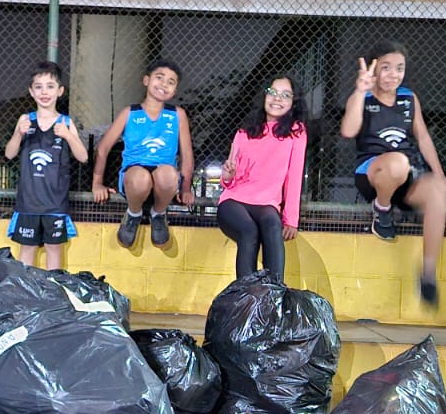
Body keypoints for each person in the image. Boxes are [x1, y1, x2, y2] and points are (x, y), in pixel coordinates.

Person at [339, 43, 446, 306]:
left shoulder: (408, 98)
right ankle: (382, 209)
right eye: (386, 68)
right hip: (373, 173)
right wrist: (360, 90)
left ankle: (428, 273)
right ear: (374, 69)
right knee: (397, 163)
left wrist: (439, 174)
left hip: (407, 174)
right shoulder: (362, 97)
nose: (393, 74)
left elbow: (423, 137)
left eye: (399, 68)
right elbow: (348, 131)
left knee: (437, 190)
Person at [89, 60, 195, 248]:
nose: (164, 84)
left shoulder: (177, 114)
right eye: (159, 78)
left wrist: (185, 188)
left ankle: (159, 214)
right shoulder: (129, 113)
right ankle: (133, 213)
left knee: (169, 174)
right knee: (141, 177)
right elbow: (103, 148)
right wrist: (97, 183)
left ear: (175, 90)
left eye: (171, 82)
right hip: (134, 178)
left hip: (164, 181)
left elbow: (187, 154)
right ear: (146, 80)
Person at [216, 77, 307, 282]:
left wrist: (291, 219)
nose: (277, 99)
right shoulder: (244, 132)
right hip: (234, 201)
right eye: (272, 92)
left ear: (294, 102)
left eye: (285, 95)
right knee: (249, 231)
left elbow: (294, 177)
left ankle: (275, 293)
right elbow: (228, 180)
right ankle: (245, 296)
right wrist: (227, 176)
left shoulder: (296, 132)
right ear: (264, 95)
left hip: (267, 204)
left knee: (272, 225)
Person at [3, 62, 88, 270]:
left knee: (53, 249)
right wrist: (18, 133)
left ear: (60, 91)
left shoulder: (66, 123)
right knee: (27, 250)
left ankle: (52, 289)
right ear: (31, 92)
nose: (44, 92)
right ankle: (25, 289)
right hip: (28, 203)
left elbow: (83, 157)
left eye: (50, 86)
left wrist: (68, 136)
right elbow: (9, 153)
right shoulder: (25, 120)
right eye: (38, 87)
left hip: (55, 203)